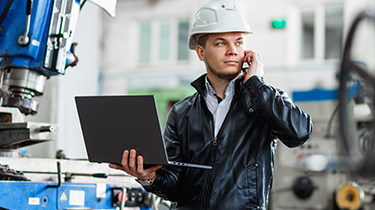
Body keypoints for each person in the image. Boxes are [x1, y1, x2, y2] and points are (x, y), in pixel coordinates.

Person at [110, 1, 313, 209]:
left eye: (239, 42)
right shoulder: (182, 112)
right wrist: (150, 177)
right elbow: (175, 186)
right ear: (200, 52)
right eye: (221, 43)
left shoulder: (264, 102)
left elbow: (299, 133)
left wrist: (256, 85)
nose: (233, 51)